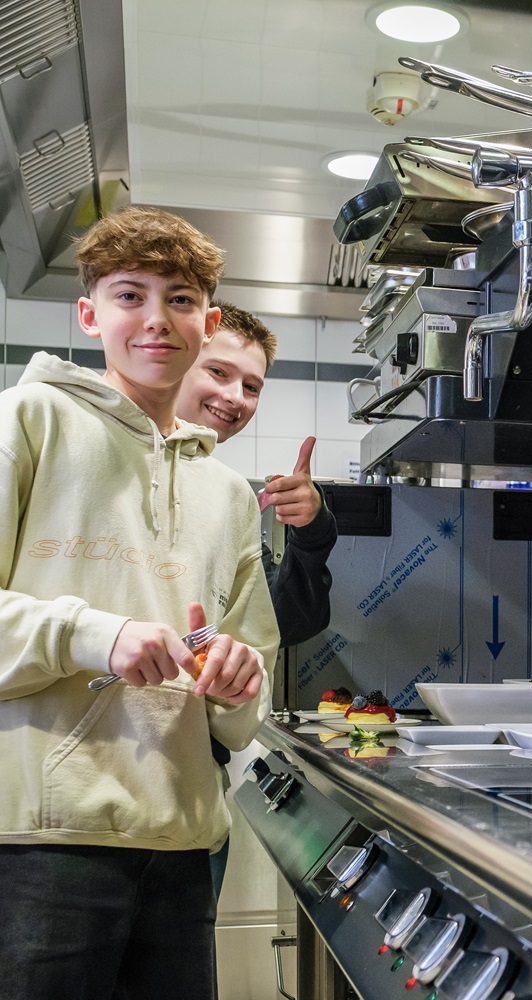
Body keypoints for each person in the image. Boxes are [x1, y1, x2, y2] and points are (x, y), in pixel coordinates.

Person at [0, 206, 277, 997]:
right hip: (39, 841)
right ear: (90, 315)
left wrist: (237, 677)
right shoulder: (29, 421)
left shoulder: (227, 494)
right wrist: (95, 635)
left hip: (183, 839)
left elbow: (250, 675)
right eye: (131, 296)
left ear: (207, 320)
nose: (157, 319)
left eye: (181, 299)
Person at [177, 300, 339, 903]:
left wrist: (313, 530)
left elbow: (285, 621)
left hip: (191, 793)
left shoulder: (230, 499)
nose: (235, 397)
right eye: (218, 372)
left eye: (251, 385)